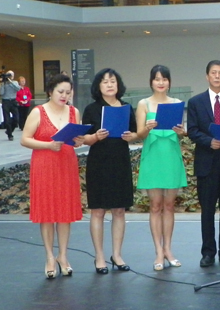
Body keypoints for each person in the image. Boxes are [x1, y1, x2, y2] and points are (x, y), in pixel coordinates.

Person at [20, 74, 84, 278]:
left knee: (64, 213)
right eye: (60, 92)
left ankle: (63, 255)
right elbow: (25, 139)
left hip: (66, 164)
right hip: (44, 165)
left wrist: (79, 140)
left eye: (67, 92)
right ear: (50, 91)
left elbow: (74, 140)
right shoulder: (38, 112)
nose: (64, 96)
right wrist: (48, 145)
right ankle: (49, 256)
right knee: (47, 212)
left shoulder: (74, 112)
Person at [82, 68, 137, 274]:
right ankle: (99, 257)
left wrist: (130, 136)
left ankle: (117, 254)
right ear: (98, 86)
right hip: (99, 162)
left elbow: (134, 133)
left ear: (118, 85)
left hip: (120, 161)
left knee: (119, 210)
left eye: (112, 81)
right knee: (98, 210)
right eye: (105, 82)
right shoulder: (91, 109)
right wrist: (96, 136)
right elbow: (83, 139)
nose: (109, 85)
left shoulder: (126, 107)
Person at [187, 60, 220, 268]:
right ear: (207, 76)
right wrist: (209, 141)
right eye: (213, 73)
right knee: (207, 211)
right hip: (206, 163)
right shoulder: (195, 102)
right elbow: (192, 130)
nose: (217, 76)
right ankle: (208, 252)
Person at [136, 65, 188, 271]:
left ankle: (168, 249)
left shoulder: (176, 103)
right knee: (155, 205)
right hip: (153, 157)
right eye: (157, 78)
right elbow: (138, 134)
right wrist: (146, 129)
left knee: (169, 205)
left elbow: (182, 132)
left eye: (164, 79)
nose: (161, 82)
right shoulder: (143, 103)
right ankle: (158, 250)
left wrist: (182, 131)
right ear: (151, 81)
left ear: (169, 82)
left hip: (171, 156)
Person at [1, 70, 21, 141]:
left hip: (13, 101)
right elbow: (1, 93)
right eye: (8, 75)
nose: (9, 76)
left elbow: (18, 88)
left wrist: (10, 82)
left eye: (11, 75)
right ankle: (10, 135)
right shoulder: (4, 83)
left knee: (16, 119)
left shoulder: (15, 82)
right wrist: (3, 83)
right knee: (7, 120)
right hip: (6, 101)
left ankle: (9, 130)